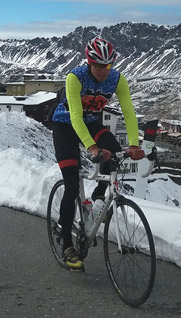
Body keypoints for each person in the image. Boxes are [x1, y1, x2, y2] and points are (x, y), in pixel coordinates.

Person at [51, 37, 145, 269]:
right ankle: (67, 247)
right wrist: (91, 147)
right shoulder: (75, 77)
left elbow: (129, 113)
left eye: (108, 66)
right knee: (71, 184)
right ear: (89, 63)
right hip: (65, 127)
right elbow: (75, 117)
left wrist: (134, 145)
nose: (104, 71)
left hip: (91, 122)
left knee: (113, 150)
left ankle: (99, 195)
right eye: (99, 66)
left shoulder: (116, 79)